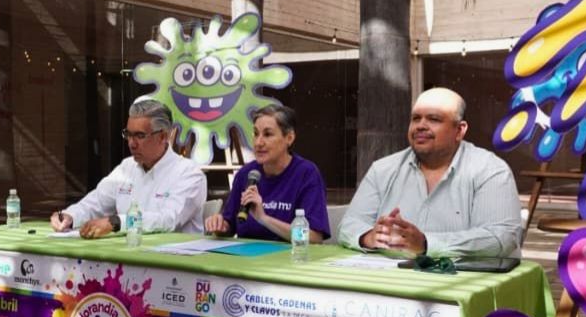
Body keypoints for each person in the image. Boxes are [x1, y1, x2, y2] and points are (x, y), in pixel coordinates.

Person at [339, 88, 522, 257]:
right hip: (388, 273)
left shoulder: (489, 170)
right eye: (415, 118)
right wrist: (369, 237)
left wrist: (426, 244)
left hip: (462, 276)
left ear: (459, 130)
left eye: (434, 119)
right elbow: (348, 225)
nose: (421, 126)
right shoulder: (383, 169)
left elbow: (502, 237)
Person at [51, 99, 206, 239]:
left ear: (163, 136)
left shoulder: (189, 173)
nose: (131, 143)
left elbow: (168, 220)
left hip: (173, 257)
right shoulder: (127, 167)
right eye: (128, 134)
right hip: (129, 255)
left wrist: (118, 222)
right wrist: (69, 216)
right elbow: (96, 202)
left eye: (139, 135)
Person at [204, 104, 331, 242]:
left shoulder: (306, 174)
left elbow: (314, 237)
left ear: (289, 138)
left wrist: (263, 219)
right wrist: (220, 225)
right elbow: (229, 226)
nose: (258, 143)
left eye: (268, 134)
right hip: (246, 254)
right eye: (256, 134)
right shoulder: (246, 174)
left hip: (289, 255)